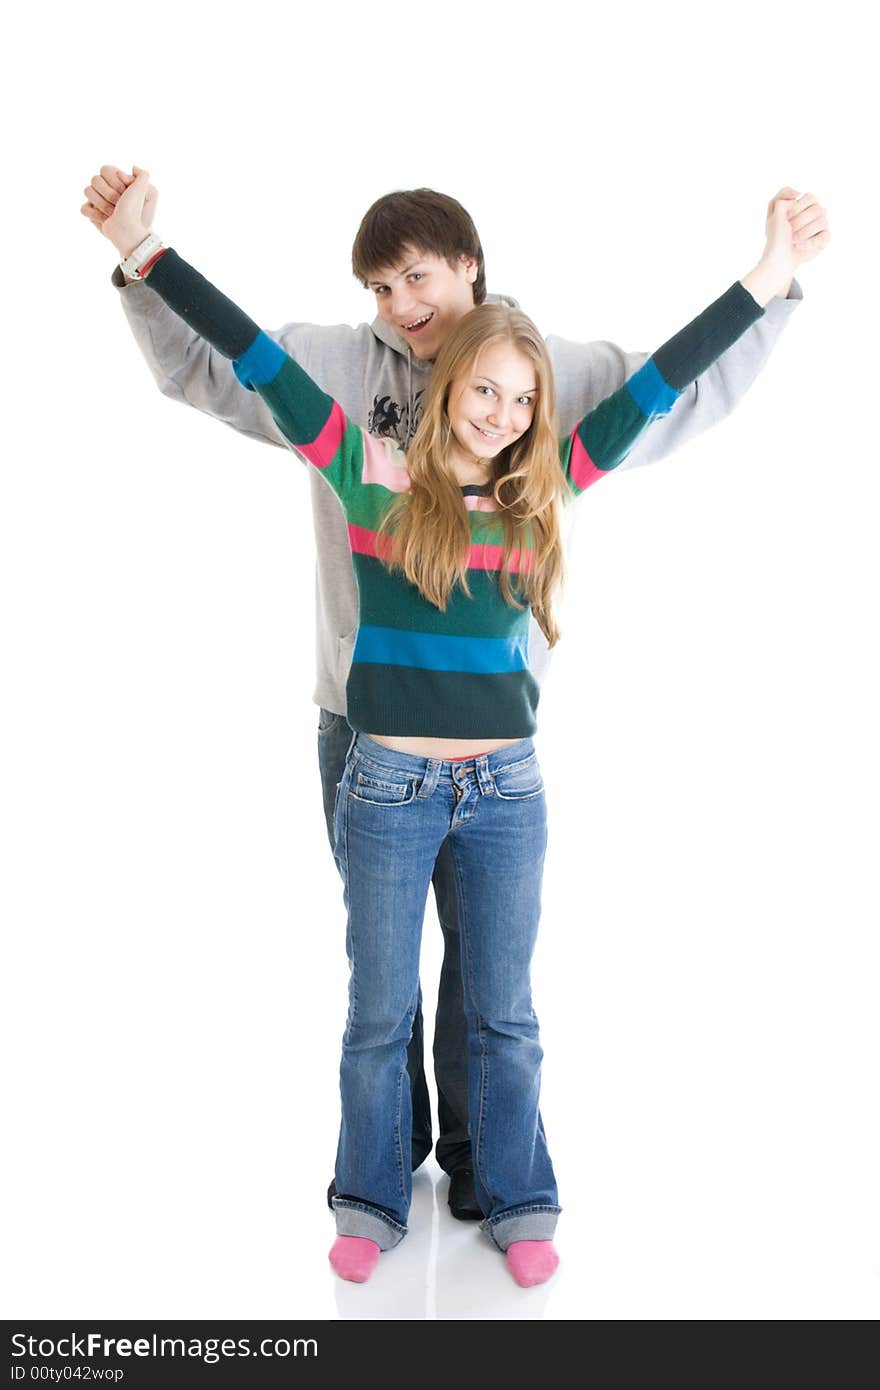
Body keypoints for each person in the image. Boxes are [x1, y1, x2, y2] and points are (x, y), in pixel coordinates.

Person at [91, 168, 828, 1286]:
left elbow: (661, 384)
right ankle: (371, 1191)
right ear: (435, 394)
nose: (500, 411)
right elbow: (253, 360)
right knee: (375, 1009)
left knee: (503, 1011)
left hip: (505, 790)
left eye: (521, 400)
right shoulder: (367, 471)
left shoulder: (548, 488)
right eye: (481, 394)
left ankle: (516, 1191)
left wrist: (767, 279)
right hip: (382, 772)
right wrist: (145, 254)